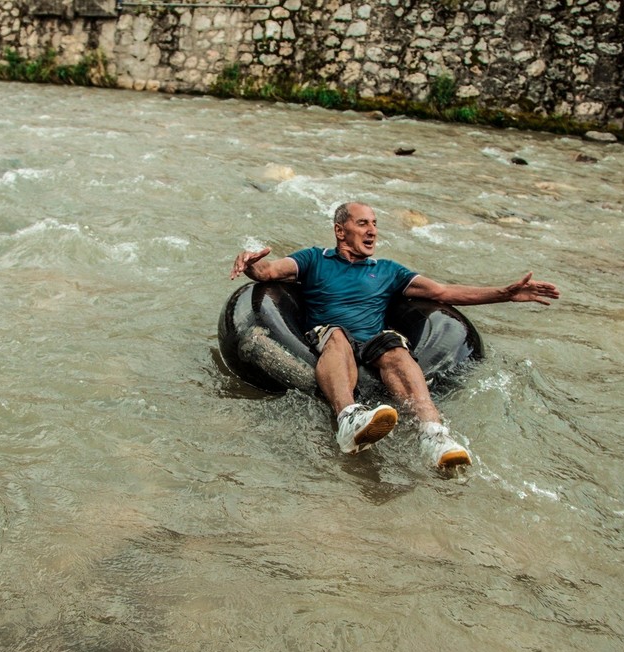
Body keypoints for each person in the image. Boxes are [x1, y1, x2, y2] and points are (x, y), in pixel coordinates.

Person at [229, 201, 560, 471]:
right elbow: (269, 273)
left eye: (374, 224)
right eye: (362, 223)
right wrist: (250, 263)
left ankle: (433, 434)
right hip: (328, 340)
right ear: (340, 231)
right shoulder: (314, 259)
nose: (372, 230)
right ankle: (347, 419)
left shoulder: (388, 270)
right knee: (338, 335)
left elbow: (444, 292)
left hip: (372, 343)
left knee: (394, 346)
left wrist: (505, 293)